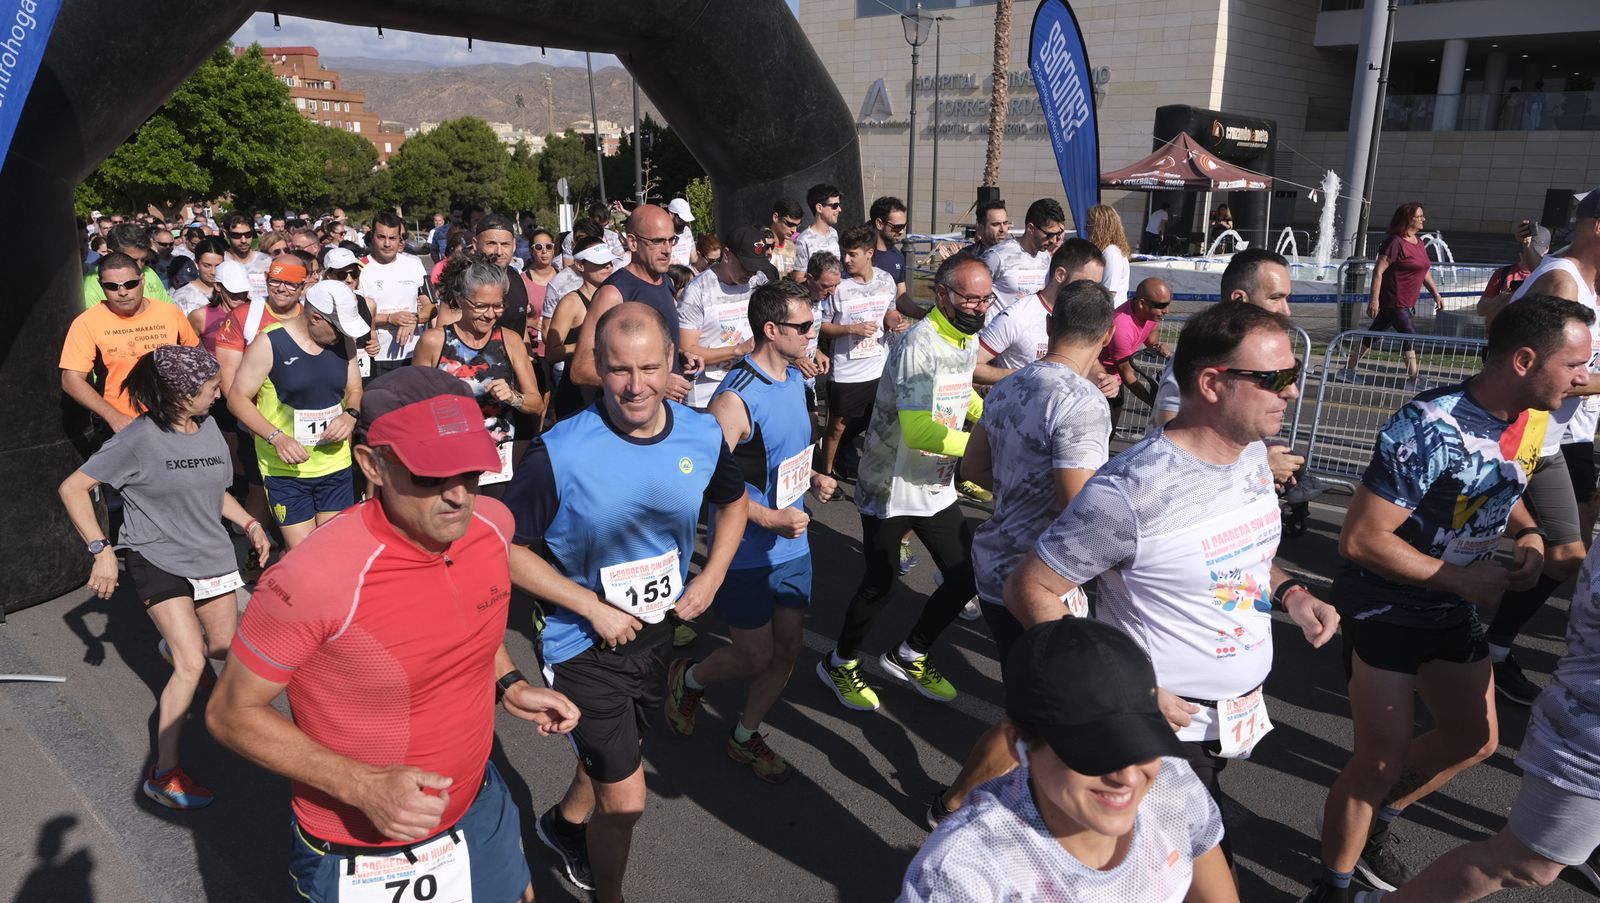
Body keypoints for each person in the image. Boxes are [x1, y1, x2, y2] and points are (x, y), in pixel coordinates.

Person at [207, 366, 579, 903]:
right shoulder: (314, 578)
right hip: (364, 846)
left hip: (477, 803)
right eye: (431, 475)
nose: (458, 497)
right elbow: (229, 713)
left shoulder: (492, 526)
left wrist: (511, 684)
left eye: (471, 473)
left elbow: (466, 620)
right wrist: (363, 786)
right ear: (372, 465)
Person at [1006, 302, 1342, 866]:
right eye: (1276, 379)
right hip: (1154, 733)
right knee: (1193, 875)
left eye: (1294, 376)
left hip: (1230, 717)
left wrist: (1291, 592)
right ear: (1212, 382)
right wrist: (1123, 692)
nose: (1291, 392)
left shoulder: (1253, 457)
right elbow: (1030, 589)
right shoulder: (1132, 492)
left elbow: (1244, 553)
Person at [1306, 294, 1594, 902]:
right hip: (1384, 604)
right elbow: (1360, 539)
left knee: (1474, 739)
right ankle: (1331, 886)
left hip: (1449, 605)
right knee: (1377, 761)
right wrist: (1459, 578)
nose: (1583, 380)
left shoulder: (1530, 420)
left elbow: (1498, 482)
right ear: (1523, 360)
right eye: (1574, 365)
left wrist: (1530, 531)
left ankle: (1374, 822)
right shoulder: (1429, 424)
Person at [502, 303, 747, 903]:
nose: (634, 387)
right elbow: (505, 549)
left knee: (619, 757)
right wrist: (589, 605)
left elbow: (733, 502)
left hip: (657, 633)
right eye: (618, 370)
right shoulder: (560, 452)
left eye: (646, 368)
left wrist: (711, 576)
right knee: (628, 801)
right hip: (581, 645)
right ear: (597, 369)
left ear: (672, 363)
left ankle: (561, 827)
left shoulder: (701, 432)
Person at [927, 280, 1117, 827]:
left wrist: (1020, 486)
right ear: (1104, 336)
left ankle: (1014, 800)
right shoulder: (1082, 402)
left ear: (1051, 326)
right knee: (1034, 714)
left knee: (1036, 707)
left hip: (994, 565)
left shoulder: (1011, 385)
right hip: (1040, 578)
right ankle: (955, 804)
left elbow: (974, 469)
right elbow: (1078, 504)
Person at [59, 346, 270, 810]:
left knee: (220, 650)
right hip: (156, 556)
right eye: (211, 389)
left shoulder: (210, 426)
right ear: (180, 395)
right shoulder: (137, 440)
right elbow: (73, 488)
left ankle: (177, 646)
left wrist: (250, 524)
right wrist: (102, 551)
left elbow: (213, 493)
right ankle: (164, 775)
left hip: (210, 553)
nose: (219, 395)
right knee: (193, 664)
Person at [900, 618, 1236, 903]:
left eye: (1142, 743)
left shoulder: (1172, 782)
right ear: (1020, 743)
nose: (1130, 778)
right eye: (1096, 754)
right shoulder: (962, 874)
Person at [665, 280, 838, 781]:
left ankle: (745, 734)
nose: (813, 334)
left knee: (787, 649)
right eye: (804, 327)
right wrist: (771, 518)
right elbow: (707, 486)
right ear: (771, 329)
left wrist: (815, 477)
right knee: (753, 653)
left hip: (793, 543)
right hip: (744, 550)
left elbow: (784, 459)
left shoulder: (793, 379)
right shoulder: (733, 400)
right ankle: (689, 676)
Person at [1367, 534, 1600, 903]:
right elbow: (1364, 538)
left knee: (1476, 741)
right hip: (1585, 736)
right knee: (1524, 862)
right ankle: (1360, 822)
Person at [817, 254, 993, 711]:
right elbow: (917, 432)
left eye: (986, 298)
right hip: (891, 484)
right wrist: (981, 448)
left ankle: (910, 653)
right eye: (969, 298)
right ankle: (839, 663)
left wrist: (993, 417)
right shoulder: (920, 343)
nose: (979, 306)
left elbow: (960, 392)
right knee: (881, 583)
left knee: (964, 576)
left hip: (933, 483)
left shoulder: (963, 339)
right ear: (941, 295)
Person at [1472, 197, 1600, 707]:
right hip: (1510, 435)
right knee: (1456, 537)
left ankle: (1492, 649)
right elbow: (1527, 366)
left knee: (1565, 555)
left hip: (1550, 440)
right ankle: (1445, 640)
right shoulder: (1563, 280)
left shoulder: (1581, 282)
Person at [226, 281, 366, 549]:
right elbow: (237, 398)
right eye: (337, 328)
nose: (342, 335)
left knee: (332, 548)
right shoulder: (270, 342)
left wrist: (350, 414)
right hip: (286, 469)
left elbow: (355, 388)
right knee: (304, 553)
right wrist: (277, 438)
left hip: (334, 464)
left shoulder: (343, 342)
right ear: (315, 318)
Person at [412, 258, 543, 494]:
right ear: (462, 300)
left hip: (498, 462)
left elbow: (536, 404)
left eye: (498, 306)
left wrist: (513, 397)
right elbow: (414, 407)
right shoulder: (434, 341)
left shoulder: (510, 340)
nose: (490, 315)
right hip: (450, 459)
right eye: (481, 306)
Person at [567, 204, 705, 403]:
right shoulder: (613, 293)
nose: (667, 250)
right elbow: (581, 370)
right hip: (627, 422)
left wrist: (680, 358)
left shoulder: (665, 280)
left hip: (663, 417)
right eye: (657, 241)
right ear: (632, 242)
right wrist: (658, 382)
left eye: (671, 240)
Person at [61, 253, 201, 436]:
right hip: (122, 426)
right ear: (100, 285)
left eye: (130, 284)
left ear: (142, 280)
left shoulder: (170, 313)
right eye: (112, 286)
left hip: (174, 420)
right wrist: (112, 416)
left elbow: (196, 359)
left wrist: (193, 406)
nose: (122, 292)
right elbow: (70, 380)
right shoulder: (87, 323)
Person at [818, 222, 903, 478]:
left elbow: (889, 312)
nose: (846, 259)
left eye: (852, 254)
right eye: (844, 253)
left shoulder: (886, 280)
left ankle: (869, 470)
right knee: (836, 428)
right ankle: (826, 473)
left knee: (876, 423)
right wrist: (851, 329)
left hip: (879, 366)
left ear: (869, 253)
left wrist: (895, 321)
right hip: (847, 371)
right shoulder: (839, 287)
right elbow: (822, 326)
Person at [1332, 203, 1446, 388]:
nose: (1423, 219)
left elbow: (1425, 271)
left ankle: (1347, 370)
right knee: (1409, 334)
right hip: (1395, 299)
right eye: (1419, 216)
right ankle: (1413, 379)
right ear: (1408, 219)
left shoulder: (1418, 242)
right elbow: (1378, 271)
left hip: (1407, 300)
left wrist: (1436, 294)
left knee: (1373, 334)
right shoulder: (1395, 243)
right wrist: (1374, 300)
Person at [973, 238, 1105, 386]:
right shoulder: (1017, 316)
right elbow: (973, 367)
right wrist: (1025, 375)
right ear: (1060, 275)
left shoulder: (1082, 315)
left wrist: (1101, 377)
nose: (1092, 291)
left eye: (1097, 285)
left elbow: (1092, 361)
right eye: (1087, 283)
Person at [677, 225, 777, 408]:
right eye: (746, 266)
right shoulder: (697, 291)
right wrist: (737, 350)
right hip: (706, 396)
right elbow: (687, 351)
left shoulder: (758, 281)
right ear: (727, 255)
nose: (751, 273)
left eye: (755, 267)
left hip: (747, 389)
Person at [545, 239, 617, 421]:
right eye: (600, 262)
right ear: (580, 265)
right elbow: (552, 353)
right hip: (577, 395)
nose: (608, 267)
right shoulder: (571, 302)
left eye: (609, 261)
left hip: (607, 390)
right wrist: (585, 346)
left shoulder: (616, 297)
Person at [360, 212, 434, 378]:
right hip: (377, 356)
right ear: (372, 236)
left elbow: (431, 308)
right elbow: (356, 315)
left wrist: (414, 318)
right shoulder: (360, 268)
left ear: (400, 239)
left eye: (393, 238)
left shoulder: (414, 264)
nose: (387, 244)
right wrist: (390, 319)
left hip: (413, 354)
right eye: (381, 237)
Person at [1100, 276, 1174, 430]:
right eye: (1161, 306)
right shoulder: (1121, 327)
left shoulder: (1150, 315)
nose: (1166, 311)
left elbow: (1151, 340)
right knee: (1103, 436)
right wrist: (1155, 406)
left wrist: (1160, 347)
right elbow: (1128, 376)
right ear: (1142, 303)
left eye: (1167, 305)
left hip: (1116, 379)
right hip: (1101, 383)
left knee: (1110, 432)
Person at [982, 198, 1068, 317]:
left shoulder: (1046, 257)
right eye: (1049, 235)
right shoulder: (997, 256)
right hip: (998, 332)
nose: (1053, 240)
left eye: (1056, 234)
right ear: (1031, 228)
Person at [81, 223, 173, 309]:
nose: (139, 267)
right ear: (110, 254)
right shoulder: (91, 288)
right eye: (132, 260)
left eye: (143, 260)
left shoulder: (149, 273)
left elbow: (169, 310)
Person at [870, 196, 923, 319]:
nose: (901, 232)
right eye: (897, 227)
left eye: (903, 226)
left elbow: (901, 297)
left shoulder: (898, 256)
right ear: (879, 224)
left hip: (887, 333)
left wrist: (925, 315)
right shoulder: (860, 255)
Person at [791, 183, 842, 280]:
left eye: (839, 205)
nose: (839, 209)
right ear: (819, 208)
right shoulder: (804, 240)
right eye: (835, 205)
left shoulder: (834, 233)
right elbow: (798, 278)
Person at [221, 212, 273, 304]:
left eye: (248, 234)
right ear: (226, 234)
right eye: (237, 235)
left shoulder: (266, 261)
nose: (243, 240)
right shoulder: (220, 262)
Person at [1086, 203, 1132, 302]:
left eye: (1089, 224)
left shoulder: (1111, 253)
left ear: (1100, 227)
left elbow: (1108, 293)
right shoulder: (1108, 251)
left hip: (1108, 314)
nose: (1085, 228)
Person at [171, 237, 229, 315]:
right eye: (207, 265)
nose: (213, 272)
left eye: (218, 266)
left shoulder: (231, 291)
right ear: (196, 263)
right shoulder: (182, 296)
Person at [766, 197, 803, 277]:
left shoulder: (793, 247)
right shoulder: (760, 244)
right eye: (789, 224)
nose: (794, 230)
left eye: (797, 225)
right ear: (775, 217)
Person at [667, 197, 698, 268]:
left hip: (685, 273)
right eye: (681, 219)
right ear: (671, 214)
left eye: (685, 220)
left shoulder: (686, 231)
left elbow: (693, 258)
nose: (684, 223)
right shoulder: (662, 232)